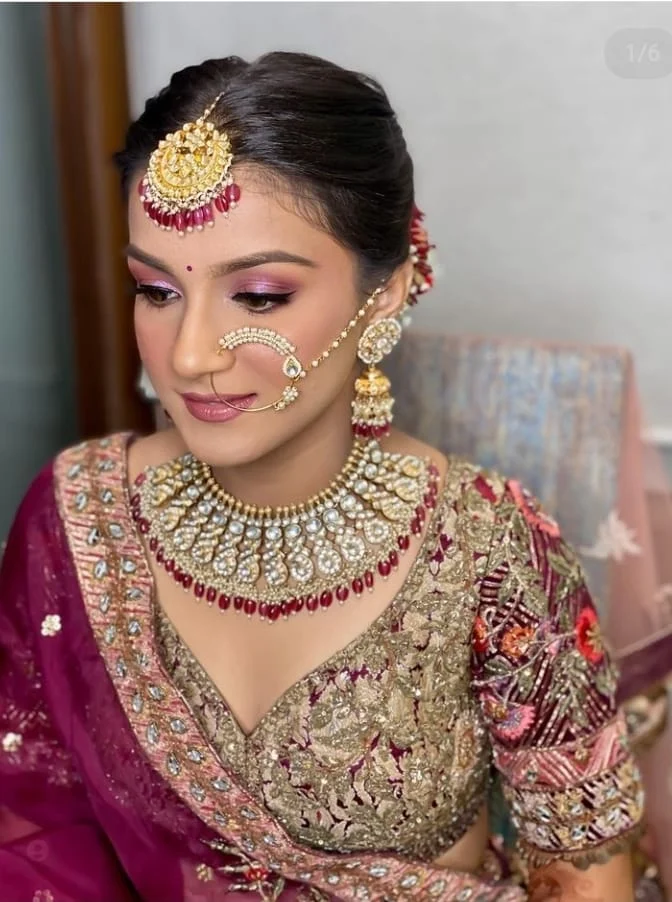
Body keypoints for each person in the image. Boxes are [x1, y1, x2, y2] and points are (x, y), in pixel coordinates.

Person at [0, 52, 646, 902]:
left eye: (260, 297)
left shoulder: (489, 548)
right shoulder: (77, 521)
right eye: (156, 290)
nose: (189, 356)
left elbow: (583, 878)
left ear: (385, 296)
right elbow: (32, 836)